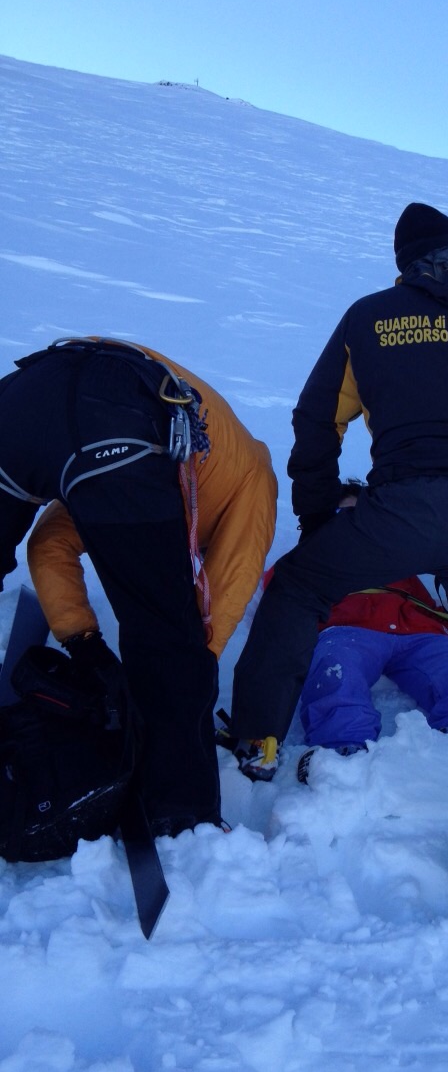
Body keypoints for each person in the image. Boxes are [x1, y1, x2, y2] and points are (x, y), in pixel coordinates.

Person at [228, 202, 448, 935]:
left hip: (404, 504)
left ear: (402, 260)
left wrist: (322, 520)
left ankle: (258, 737)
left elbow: (317, 418)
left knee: (299, 585)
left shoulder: (372, 316)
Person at [0, 336, 277, 837]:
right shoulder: (252, 477)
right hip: (119, 415)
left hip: (25, 398)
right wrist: (178, 689)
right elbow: (219, 604)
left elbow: (48, 546)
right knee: (170, 642)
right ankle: (181, 814)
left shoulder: (173, 465)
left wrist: (85, 645)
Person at [294, 574, 448, 780]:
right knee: (337, 668)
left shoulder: (403, 565)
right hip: (348, 626)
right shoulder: (313, 557)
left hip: (417, 630)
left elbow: (427, 604)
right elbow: (285, 592)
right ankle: (341, 750)